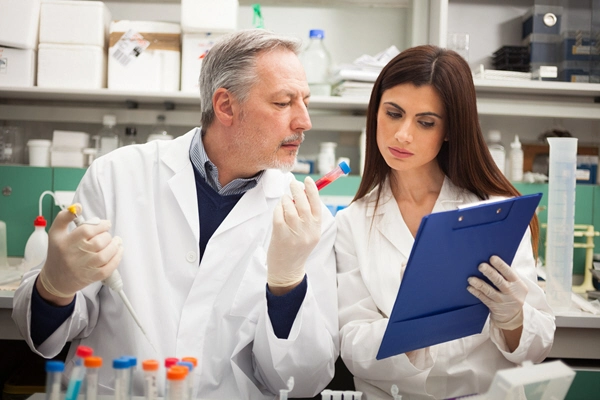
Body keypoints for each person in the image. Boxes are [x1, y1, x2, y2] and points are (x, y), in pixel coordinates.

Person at [12, 29, 339, 399]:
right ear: (226, 106)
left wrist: (287, 286)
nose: (304, 121)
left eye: (305, 102)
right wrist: (54, 288)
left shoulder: (308, 220)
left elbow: (303, 382)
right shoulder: (116, 176)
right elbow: (44, 337)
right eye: (284, 103)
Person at [335, 45, 555, 399]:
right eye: (393, 113)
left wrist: (513, 317)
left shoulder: (496, 212)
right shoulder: (352, 223)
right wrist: (410, 329)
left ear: (450, 130)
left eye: (425, 122)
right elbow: (352, 347)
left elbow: (537, 348)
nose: (403, 134)